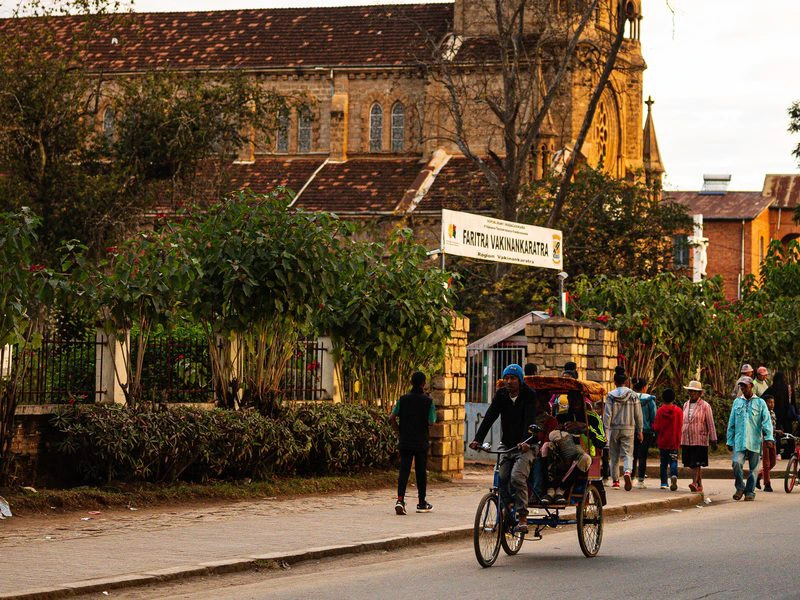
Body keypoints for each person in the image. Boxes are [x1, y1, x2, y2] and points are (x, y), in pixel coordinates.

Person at [469, 364, 537, 533]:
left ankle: (522, 516)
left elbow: (530, 421)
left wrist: (525, 441)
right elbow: (489, 417)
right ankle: (508, 507)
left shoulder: (529, 395)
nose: (508, 382)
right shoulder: (501, 395)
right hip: (507, 444)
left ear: (520, 381)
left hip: (526, 445)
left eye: (512, 378)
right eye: (506, 378)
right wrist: (477, 439)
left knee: (516, 477)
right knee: (502, 477)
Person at [389, 371, 436, 515]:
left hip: (405, 440)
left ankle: (400, 500)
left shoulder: (403, 399)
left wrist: (399, 432)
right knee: (421, 472)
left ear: (411, 383)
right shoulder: (428, 401)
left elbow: (391, 418)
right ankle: (422, 503)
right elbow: (431, 421)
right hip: (421, 441)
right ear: (423, 384)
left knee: (404, 470)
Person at [727, 376, 774, 501]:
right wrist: (729, 440)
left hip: (754, 441)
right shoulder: (737, 402)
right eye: (741, 386)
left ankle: (750, 491)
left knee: (754, 469)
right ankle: (740, 487)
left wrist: (769, 437)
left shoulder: (760, 403)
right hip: (739, 440)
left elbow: (766, 421)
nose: (742, 388)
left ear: (751, 386)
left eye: (745, 386)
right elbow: (731, 423)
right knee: (736, 463)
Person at [603, 368, 643, 491]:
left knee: (614, 455)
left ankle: (615, 481)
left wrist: (606, 431)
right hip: (629, 428)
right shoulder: (633, 395)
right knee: (627, 454)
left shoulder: (610, 395)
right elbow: (638, 414)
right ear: (626, 381)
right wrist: (640, 430)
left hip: (614, 428)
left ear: (615, 382)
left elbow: (607, 414)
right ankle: (627, 471)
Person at [680, 380, 717, 493]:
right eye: (690, 391)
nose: (692, 394)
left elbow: (710, 423)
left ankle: (694, 482)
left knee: (696, 462)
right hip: (687, 438)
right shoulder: (686, 405)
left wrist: (713, 439)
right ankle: (699, 483)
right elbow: (683, 421)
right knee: (692, 463)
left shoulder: (705, 406)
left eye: (695, 392)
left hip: (699, 439)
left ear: (700, 393)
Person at [653, 388, 682, 491]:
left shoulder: (660, 411)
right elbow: (681, 425)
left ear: (663, 398)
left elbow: (656, 427)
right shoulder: (678, 411)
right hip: (674, 441)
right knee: (673, 460)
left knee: (663, 463)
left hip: (663, 441)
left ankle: (664, 483)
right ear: (673, 398)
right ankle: (674, 475)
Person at [632, 378, 657, 489]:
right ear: (643, 387)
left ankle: (632, 477)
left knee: (633, 455)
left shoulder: (630, 398)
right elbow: (654, 417)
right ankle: (641, 481)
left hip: (632, 430)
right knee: (643, 456)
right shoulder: (650, 400)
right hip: (646, 431)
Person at [764, 371, 795, 451]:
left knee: (776, 432)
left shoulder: (772, 388)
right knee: (788, 432)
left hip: (775, 414)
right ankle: (790, 451)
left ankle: (776, 451)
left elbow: (763, 397)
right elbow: (793, 402)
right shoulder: (788, 388)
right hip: (787, 415)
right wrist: (795, 413)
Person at [756, 395, 781, 492]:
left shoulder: (773, 413)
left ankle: (758, 476)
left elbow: (772, 427)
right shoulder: (762, 413)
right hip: (765, 439)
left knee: (773, 462)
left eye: (773, 402)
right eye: (770, 402)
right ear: (765, 403)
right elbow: (762, 427)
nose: (772, 404)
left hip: (772, 439)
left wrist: (776, 431)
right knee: (766, 463)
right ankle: (767, 484)